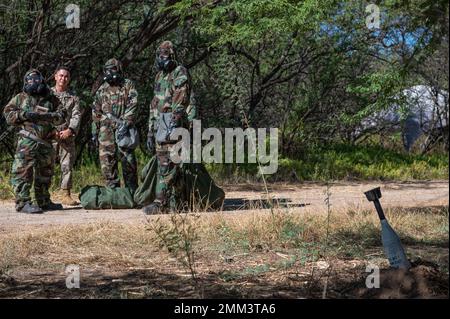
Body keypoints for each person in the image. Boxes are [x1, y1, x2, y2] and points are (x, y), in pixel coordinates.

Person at [3, 69, 66, 214]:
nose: (34, 83)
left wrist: (51, 116)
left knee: (46, 172)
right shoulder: (20, 98)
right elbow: (8, 114)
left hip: (46, 141)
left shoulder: (51, 99)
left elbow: (63, 114)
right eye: (31, 81)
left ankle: (43, 201)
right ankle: (23, 203)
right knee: (23, 171)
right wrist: (24, 115)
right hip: (27, 141)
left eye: (37, 80)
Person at [143, 40, 191, 215]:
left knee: (168, 164)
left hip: (173, 123)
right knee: (168, 163)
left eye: (165, 56)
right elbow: (154, 104)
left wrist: (174, 120)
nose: (162, 59)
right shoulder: (159, 76)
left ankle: (161, 203)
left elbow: (181, 98)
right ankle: (176, 203)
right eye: (160, 56)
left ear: (172, 56)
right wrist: (150, 130)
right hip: (159, 124)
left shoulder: (179, 72)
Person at [92, 58, 139, 192]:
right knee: (106, 161)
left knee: (128, 160)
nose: (109, 73)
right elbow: (96, 110)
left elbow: (133, 104)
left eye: (112, 69)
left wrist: (126, 122)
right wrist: (94, 131)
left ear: (118, 69)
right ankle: (113, 191)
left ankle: (132, 191)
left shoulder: (127, 85)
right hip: (105, 130)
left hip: (124, 128)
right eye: (106, 70)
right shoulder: (102, 89)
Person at [51, 66, 83, 205]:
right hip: (49, 135)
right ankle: (42, 194)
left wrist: (70, 130)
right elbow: (41, 113)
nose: (63, 78)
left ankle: (65, 193)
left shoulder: (73, 97)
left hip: (66, 135)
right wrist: (51, 131)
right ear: (55, 77)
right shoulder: (47, 95)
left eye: (66, 76)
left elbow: (76, 115)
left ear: (69, 79)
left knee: (67, 165)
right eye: (61, 75)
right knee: (45, 165)